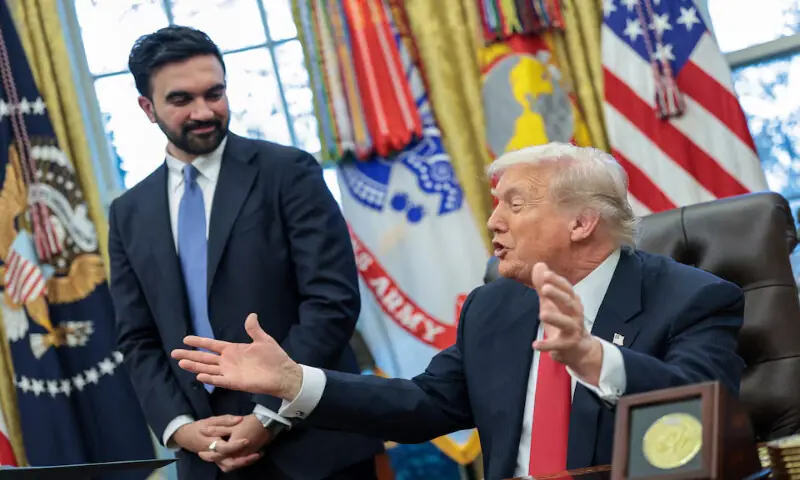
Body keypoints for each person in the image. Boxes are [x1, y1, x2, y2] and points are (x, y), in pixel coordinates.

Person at [171, 143, 746, 479]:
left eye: (514, 205)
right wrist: (296, 382)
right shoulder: (493, 306)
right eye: (496, 205)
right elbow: (424, 405)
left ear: (581, 222)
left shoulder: (694, 300)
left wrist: (593, 359)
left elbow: (706, 412)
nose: (493, 222)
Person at [108, 25, 383, 480]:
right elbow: (138, 338)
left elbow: (331, 303)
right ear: (147, 108)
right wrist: (181, 429)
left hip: (315, 446)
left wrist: (269, 415)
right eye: (181, 100)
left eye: (214, 94)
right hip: (207, 458)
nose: (204, 112)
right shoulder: (127, 213)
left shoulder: (289, 172)